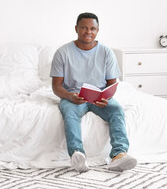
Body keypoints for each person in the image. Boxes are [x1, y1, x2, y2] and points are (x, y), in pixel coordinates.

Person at [50, 12, 137, 173]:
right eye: (84, 27)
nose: (88, 31)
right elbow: (56, 86)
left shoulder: (106, 52)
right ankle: (77, 154)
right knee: (69, 112)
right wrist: (69, 96)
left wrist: (106, 97)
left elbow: (112, 84)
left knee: (116, 110)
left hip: (99, 97)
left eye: (92, 28)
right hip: (74, 97)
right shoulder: (62, 52)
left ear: (97, 30)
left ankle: (119, 155)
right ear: (76, 28)